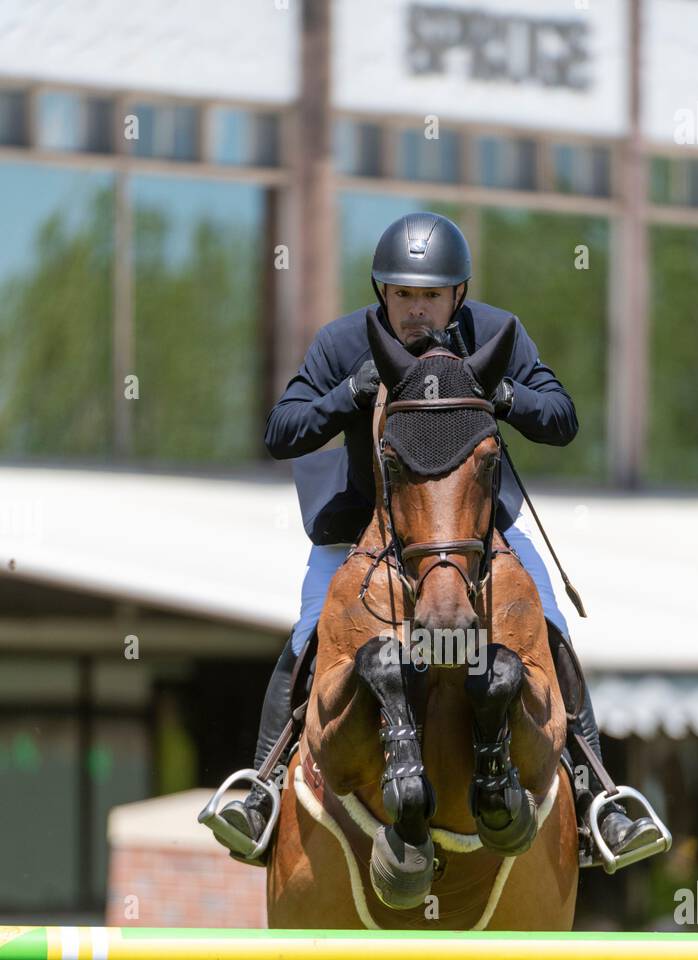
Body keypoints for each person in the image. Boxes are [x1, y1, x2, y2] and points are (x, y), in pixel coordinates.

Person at [207, 212, 664, 870]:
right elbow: (282, 430)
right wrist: (349, 395)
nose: (416, 311)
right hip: (364, 536)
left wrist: (502, 393)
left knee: (552, 626)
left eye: (430, 295)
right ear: (380, 292)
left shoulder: (495, 334)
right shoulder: (343, 343)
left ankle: (600, 798)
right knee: (309, 635)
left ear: (458, 294)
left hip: (476, 538)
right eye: (402, 294)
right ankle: (262, 794)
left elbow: (561, 420)